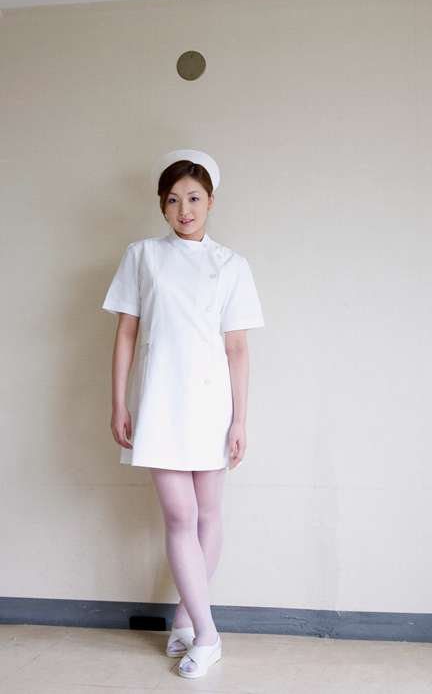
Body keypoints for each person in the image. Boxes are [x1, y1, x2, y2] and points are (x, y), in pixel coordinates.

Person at [101, 148, 265, 678]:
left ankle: (185, 620)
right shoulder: (142, 256)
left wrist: (240, 419)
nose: (184, 210)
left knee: (209, 515)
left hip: (212, 403)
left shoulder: (232, 265)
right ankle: (209, 635)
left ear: (211, 201)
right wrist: (119, 402)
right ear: (162, 206)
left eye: (194, 198)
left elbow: (237, 348)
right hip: (160, 402)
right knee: (180, 516)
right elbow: (126, 335)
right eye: (172, 200)